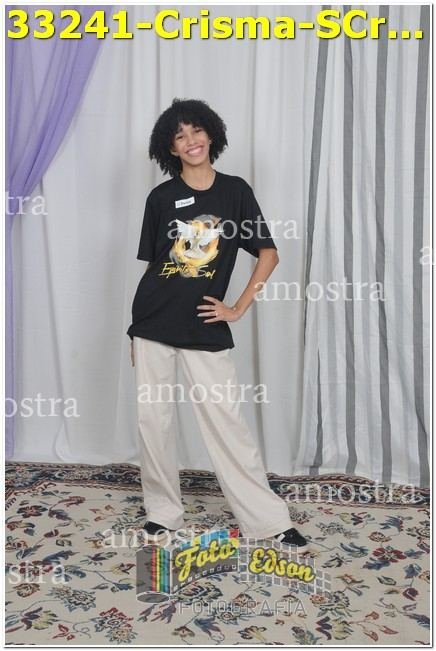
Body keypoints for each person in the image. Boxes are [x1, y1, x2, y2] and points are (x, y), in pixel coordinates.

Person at [127, 98, 308, 549]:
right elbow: (155, 267)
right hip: (152, 322)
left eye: (196, 130)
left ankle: (268, 520)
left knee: (227, 423)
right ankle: (163, 513)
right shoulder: (160, 198)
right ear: (170, 148)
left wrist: (238, 307)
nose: (190, 141)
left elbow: (269, 253)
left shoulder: (235, 191)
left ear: (211, 134)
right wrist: (134, 330)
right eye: (179, 136)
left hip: (204, 326)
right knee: (154, 421)